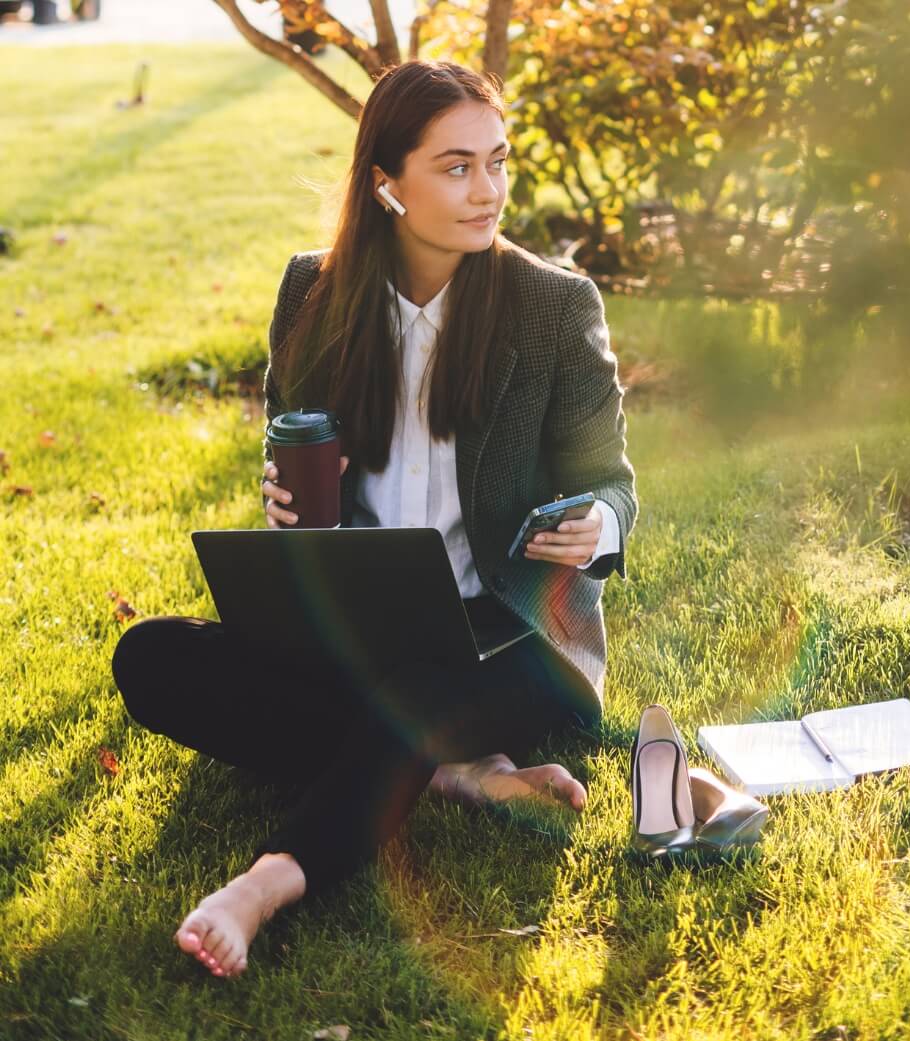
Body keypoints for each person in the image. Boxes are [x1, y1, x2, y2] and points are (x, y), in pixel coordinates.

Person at [109, 60, 636, 979]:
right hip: (361, 620)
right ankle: (448, 771)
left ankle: (267, 880)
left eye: (498, 161)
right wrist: (283, 508)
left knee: (417, 688)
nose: (489, 191)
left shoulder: (553, 305)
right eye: (457, 167)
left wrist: (598, 520)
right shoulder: (315, 291)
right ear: (387, 185)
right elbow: (290, 453)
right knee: (151, 655)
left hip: (507, 637)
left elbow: (611, 482)